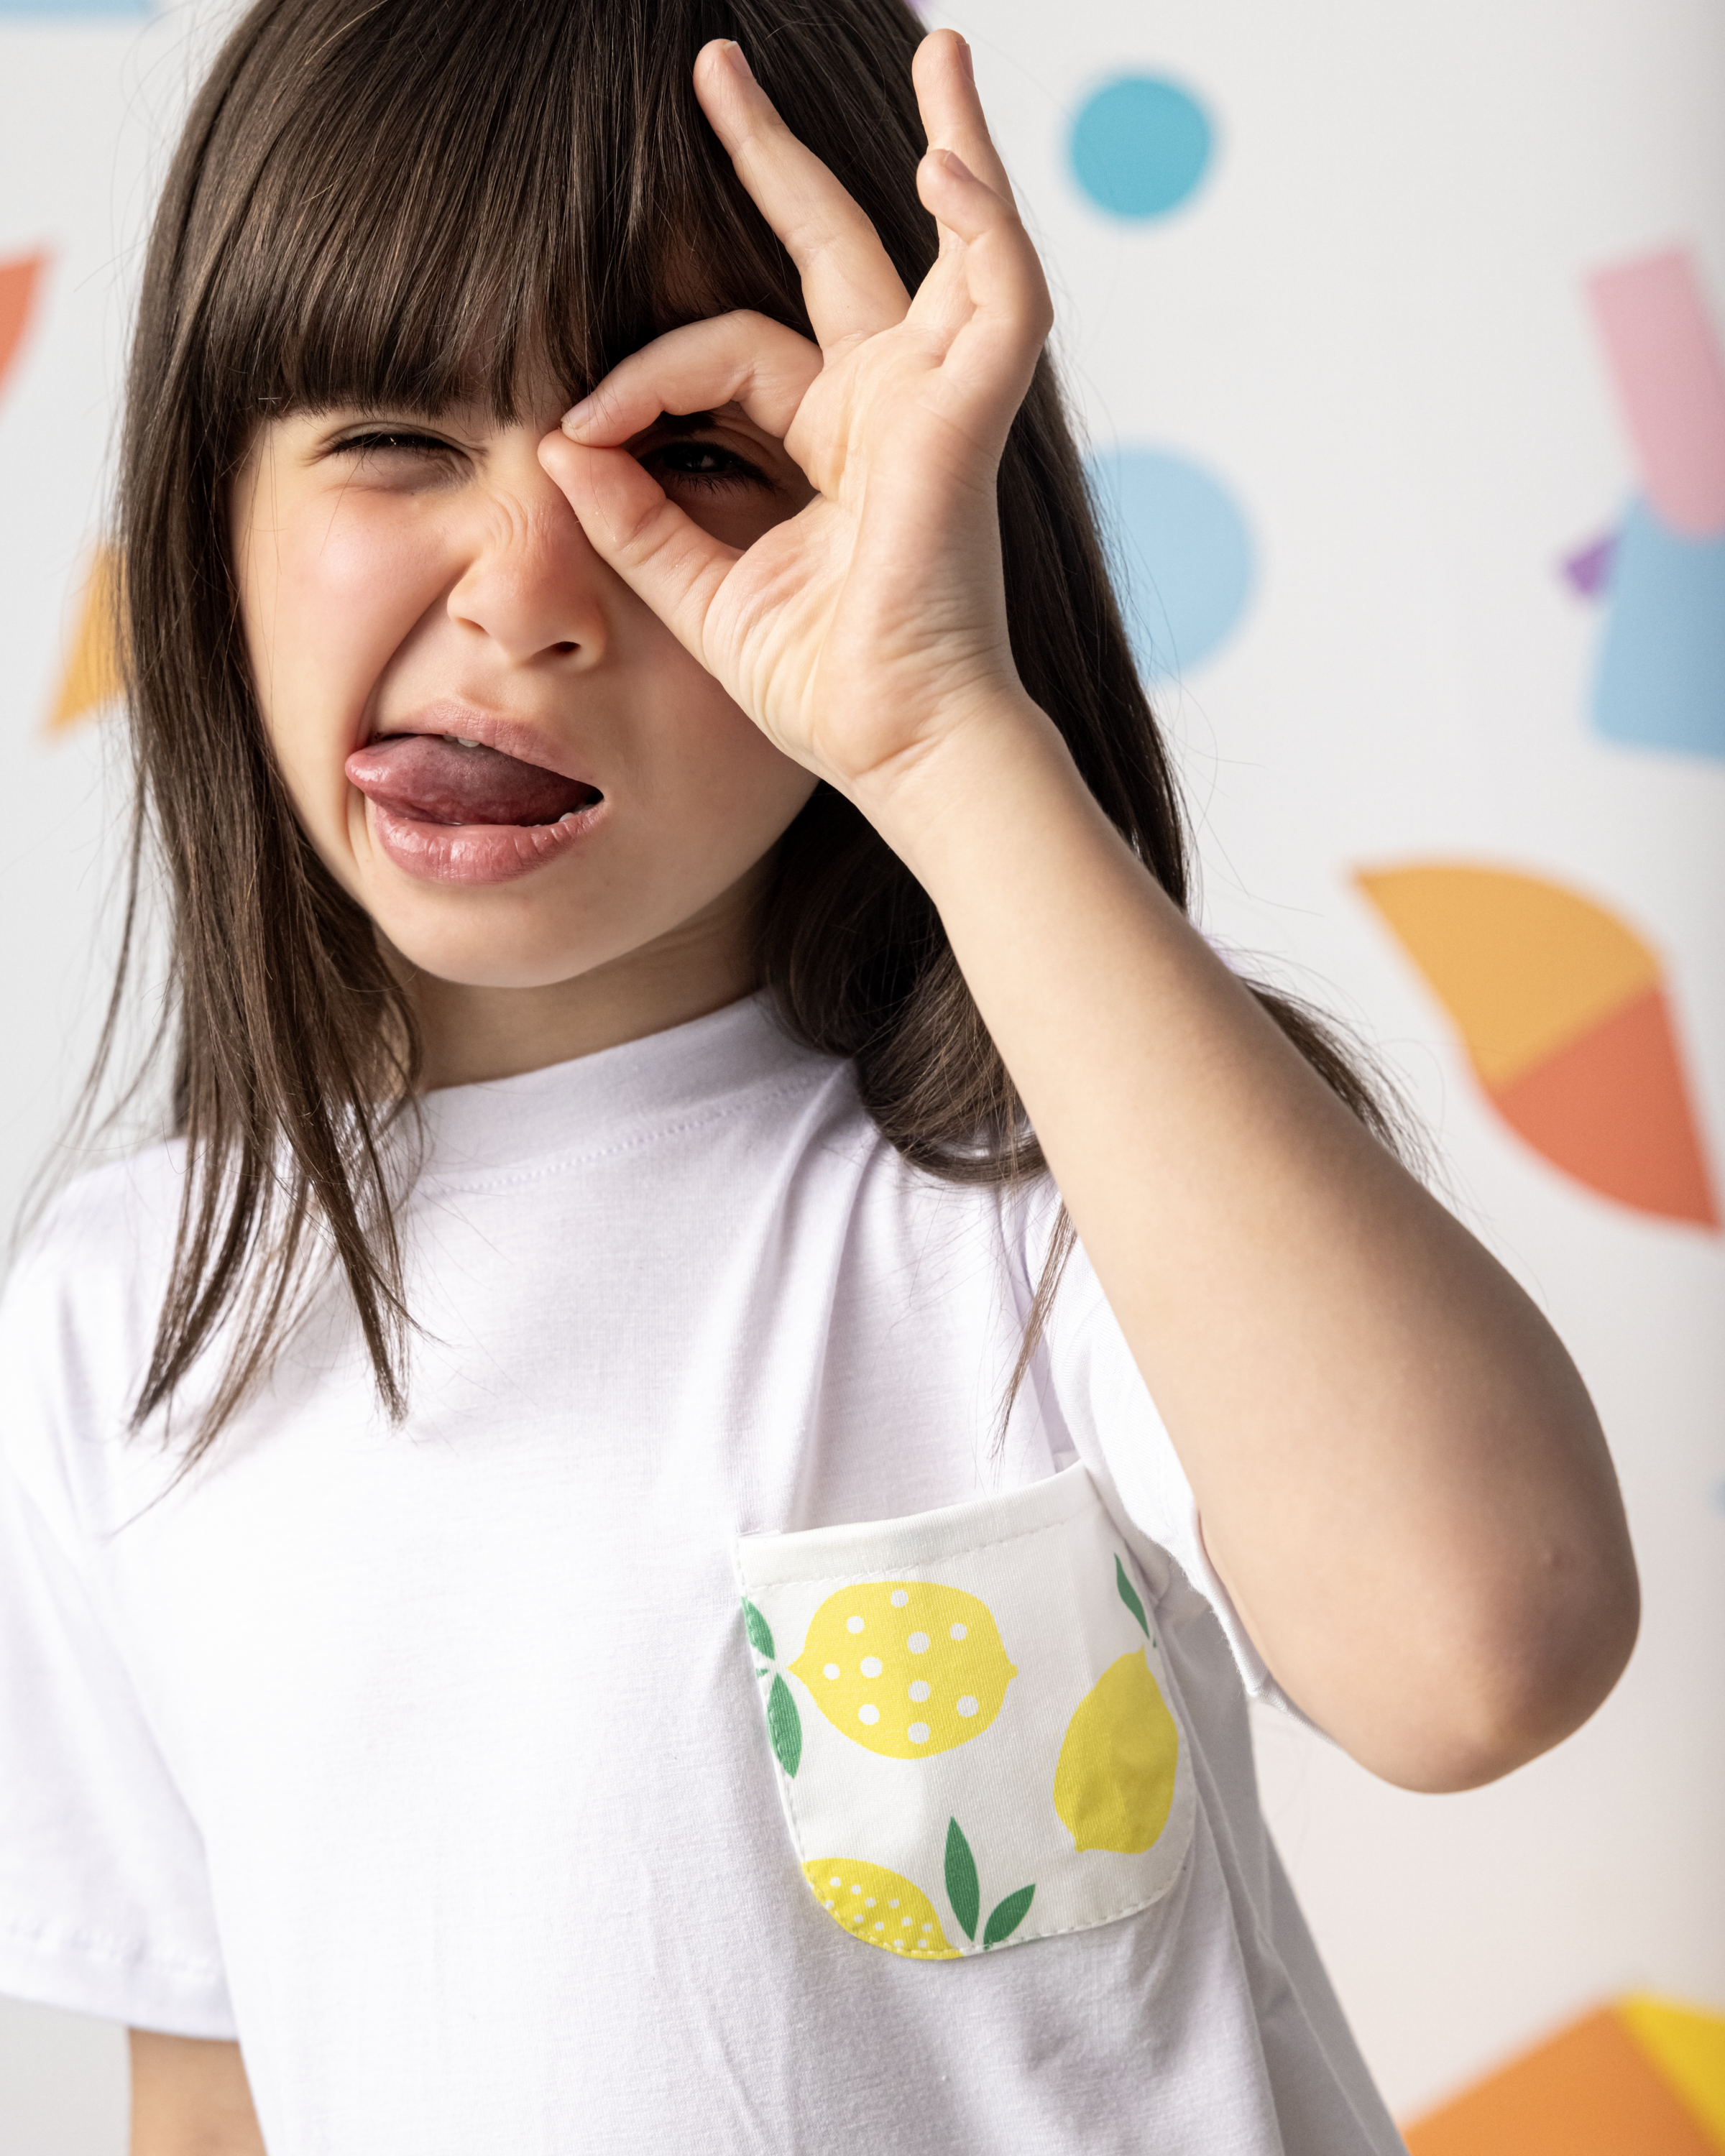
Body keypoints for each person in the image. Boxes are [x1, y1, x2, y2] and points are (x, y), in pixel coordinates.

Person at [0, 0, 1639, 2150]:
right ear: (205, 512)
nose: (523, 600)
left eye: (693, 455)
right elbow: (211, 2099)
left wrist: (946, 730)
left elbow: (1481, 1652)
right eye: (393, 433)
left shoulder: (1067, 1183)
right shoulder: (120, 1322)